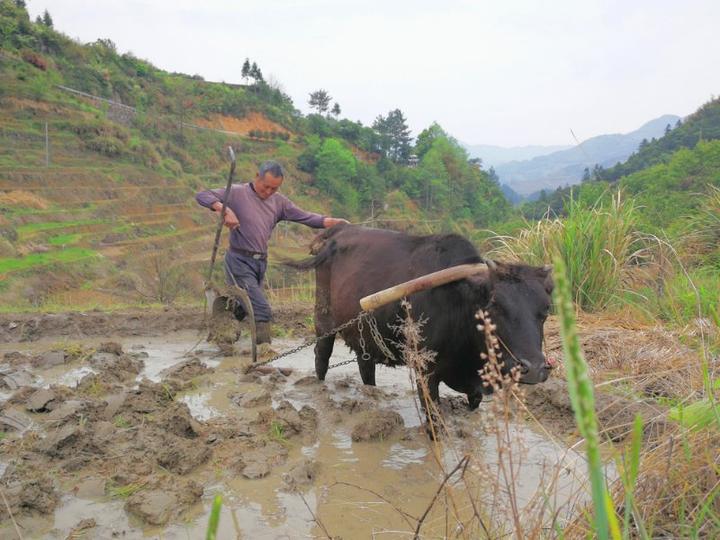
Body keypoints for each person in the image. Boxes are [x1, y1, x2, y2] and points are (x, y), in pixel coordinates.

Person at [196, 160, 348, 344]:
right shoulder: (237, 192)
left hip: (260, 263)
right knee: (261, 309)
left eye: (274, 189)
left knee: (245, 307)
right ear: (257, 177)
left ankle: (225, 318)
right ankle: (263, 356)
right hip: (238, 260)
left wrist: (333, 221)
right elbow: (203, 195)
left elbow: (306, 217)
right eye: (266, 186)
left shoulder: (279, 202)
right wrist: (224, 209)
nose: (268, 192)